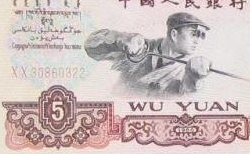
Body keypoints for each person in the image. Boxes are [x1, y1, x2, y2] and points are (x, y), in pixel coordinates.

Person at [84, 12, 212, 96]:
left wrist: (195, 78)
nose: (197, 40)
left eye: (201, 36)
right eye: (194, 34)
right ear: (174, 34)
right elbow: (91, 47)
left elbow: (186, 101)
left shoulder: (191, 70)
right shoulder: (139, 49)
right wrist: (120, 40)